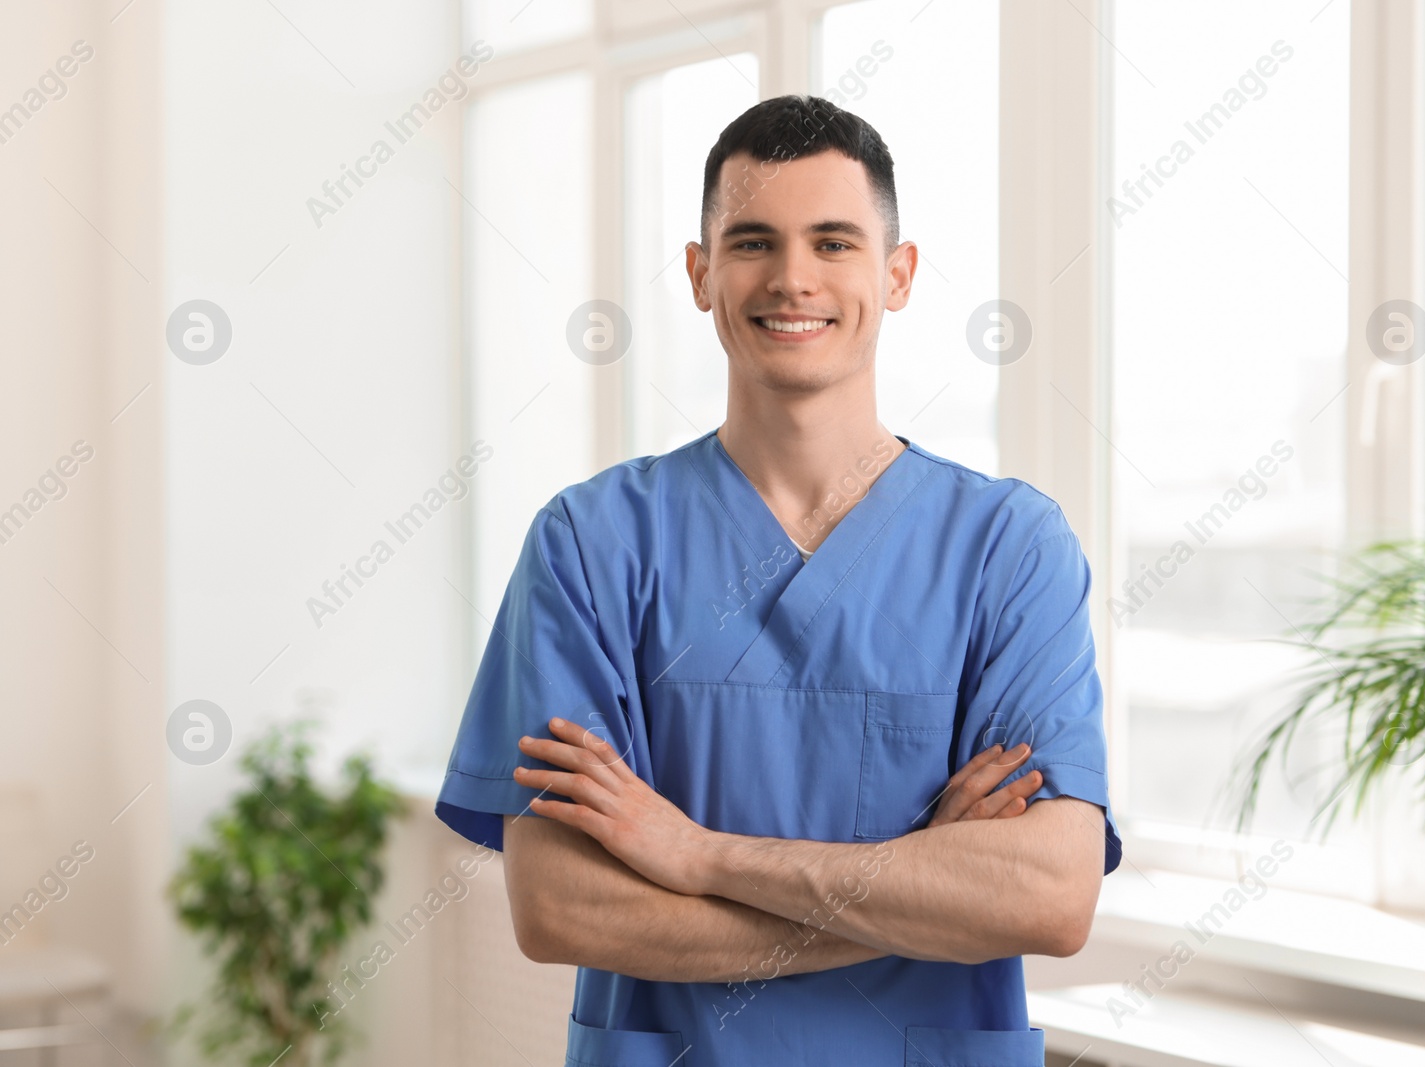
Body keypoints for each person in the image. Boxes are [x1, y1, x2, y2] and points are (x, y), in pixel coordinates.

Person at [436, 93, 1121, 1067]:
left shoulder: (1007, 548)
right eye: (753, 241)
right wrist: (912, 894)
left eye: (833, 242)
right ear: (700, 272)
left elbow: (1047, 897)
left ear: (897, 274)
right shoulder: (590, 545)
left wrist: (697, 853)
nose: (792, 278)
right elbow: (560, 907)